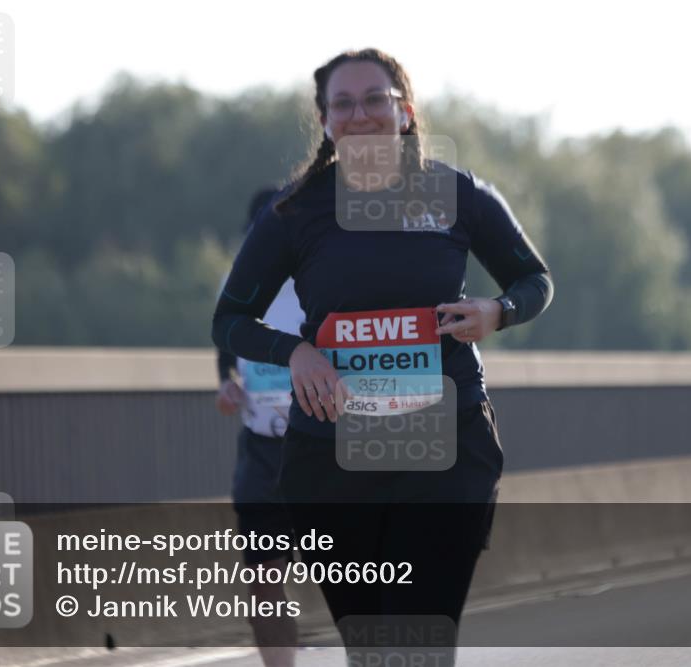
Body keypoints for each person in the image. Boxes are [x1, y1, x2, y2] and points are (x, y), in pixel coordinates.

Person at [212, 48, 553, 663]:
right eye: (342, 103)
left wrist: (496, 311)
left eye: (375, 99)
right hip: (333, 459)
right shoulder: (293, 213)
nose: (359, 114)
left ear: (405, 112)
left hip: (446, 445)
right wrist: (295, 353)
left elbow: (535, 280)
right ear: (324, 121)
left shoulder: (460, 195)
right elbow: (229, 320)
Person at [215, 187, 303, 667]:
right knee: (264, 578)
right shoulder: (236, 287)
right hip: (261, 451)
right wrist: (227, 386)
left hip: (321, 447)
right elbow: (226, 360)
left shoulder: (324, 282)